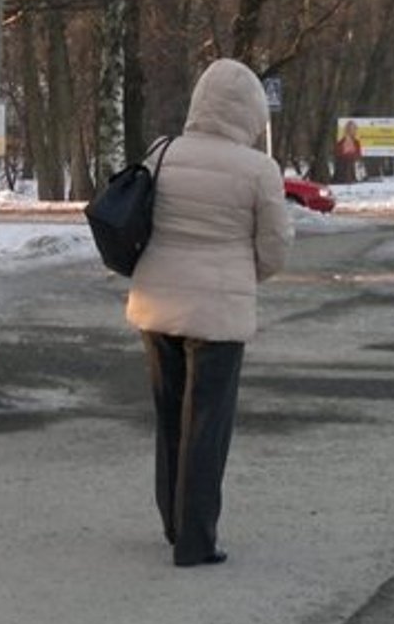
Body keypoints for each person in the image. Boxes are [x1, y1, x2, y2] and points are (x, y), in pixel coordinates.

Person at [126, 58, 293, 567]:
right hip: (219, 312)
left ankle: (173, 524)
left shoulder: (162, 153)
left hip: (158, 305)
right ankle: (198, 541)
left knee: (170, 416)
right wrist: (243, 275)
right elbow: (275, 248)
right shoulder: (258, 169)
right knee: (208, 423)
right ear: (249, 113)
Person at [333, 119, 363, 184]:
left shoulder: (356, 143)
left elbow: (358, 154)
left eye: (354, 129)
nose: (353, 131)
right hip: (343, 171)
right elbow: (338, 154)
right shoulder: (340, 143)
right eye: (351, 129)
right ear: (347, 130)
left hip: (354, 170)